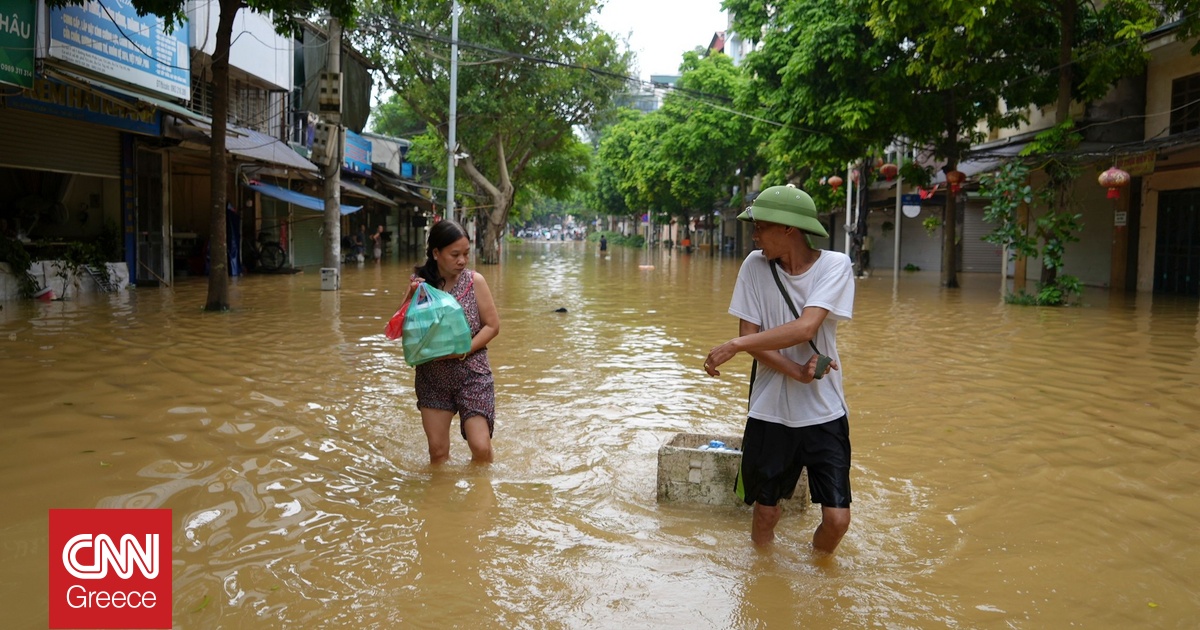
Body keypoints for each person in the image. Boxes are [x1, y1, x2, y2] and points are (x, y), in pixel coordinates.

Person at [703, 184, 855, 553]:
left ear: (789, 229)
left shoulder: (835, 265)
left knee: (837, 520)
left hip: (824, 410)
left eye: (761, 227)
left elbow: (806, 327)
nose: (754, 236)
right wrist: (795, 371)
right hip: (770, 410)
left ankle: (818, 570)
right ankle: (762, 573)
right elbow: (752, 336)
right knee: (765, 513)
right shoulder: (753, 266)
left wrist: (735, 346)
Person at [401, 220, 500, 464]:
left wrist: (463, 351)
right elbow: (404, 330)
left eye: (466, 253)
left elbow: (492, 326)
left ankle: (482, 485)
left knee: (480, 447)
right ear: (436, 253)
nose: (462, 261)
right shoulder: (421, 285)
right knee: (438, 452)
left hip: (472, 374)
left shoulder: (475, 281)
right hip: (432, 377)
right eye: (455, 255)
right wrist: (410, 298)